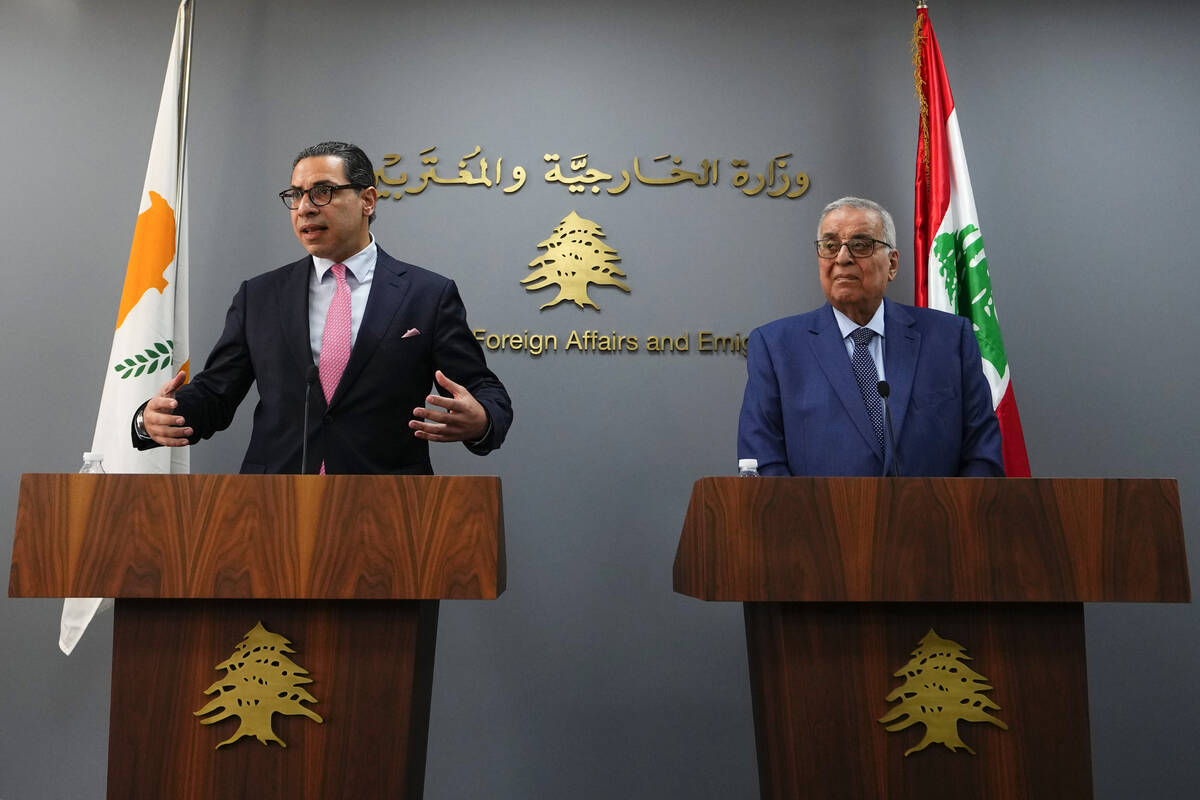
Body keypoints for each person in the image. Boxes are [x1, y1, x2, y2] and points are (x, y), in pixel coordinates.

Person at [132, 141, 511, 474]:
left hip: (387, 502)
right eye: (295, 195)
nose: (305, 208)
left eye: (322, 192)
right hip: (274, 501)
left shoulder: (427, 294)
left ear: (367, 200)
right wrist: (157, 417)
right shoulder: (259, 295)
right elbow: (217, 392)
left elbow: (483, 388)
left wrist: (481, 419)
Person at [737, 196, 1002, 477]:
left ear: (892, 264)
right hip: (819, 508)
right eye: (830, 246)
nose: (842, 258)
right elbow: (762, 460)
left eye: (861, 245)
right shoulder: (776, 347)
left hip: (935, 507)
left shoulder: (950, 339)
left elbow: (982, 454)